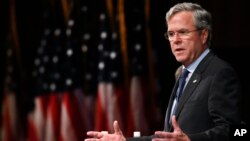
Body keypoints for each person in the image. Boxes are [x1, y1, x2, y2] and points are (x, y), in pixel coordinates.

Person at [85, 2, 242, 141]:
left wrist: (190, 140)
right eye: (171, 34)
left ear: (203, 35)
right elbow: (168, 137)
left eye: (183, 32)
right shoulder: (181, 74)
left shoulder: (219, 72)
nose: (175, 40)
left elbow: (237, 132)